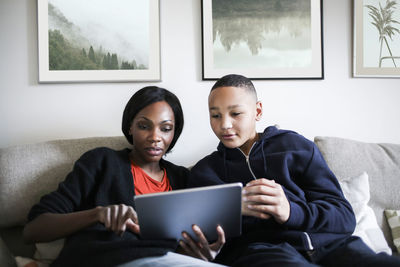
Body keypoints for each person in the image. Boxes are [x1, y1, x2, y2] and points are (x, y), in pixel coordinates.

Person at [189, 74, 400, 267]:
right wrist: (233, 209)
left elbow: (344, 217)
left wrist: (290, 211)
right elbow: (199, 234)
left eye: (235, 113)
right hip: (264, 253)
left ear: (258, 111)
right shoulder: (205, 172)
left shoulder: (295, 146)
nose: (224, 124)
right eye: (215, 116)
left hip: (334, 247)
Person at [23, 86, 226, 267]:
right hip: (108, 258)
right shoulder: (102, 162)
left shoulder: (183, 178)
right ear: (130, 126)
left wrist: (202, 253)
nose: (155, 137)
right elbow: (33, 229)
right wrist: (98, 214)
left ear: (174, 133)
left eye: (165, 129)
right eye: (144, 126)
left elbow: (179, 246)